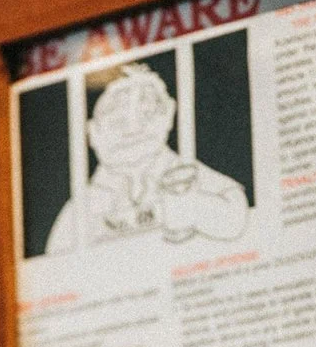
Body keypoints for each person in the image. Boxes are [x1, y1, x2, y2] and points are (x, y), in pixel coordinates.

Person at [50, 62, 247, 251]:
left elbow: (236, 215)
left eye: (147, 114)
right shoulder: (89, 200)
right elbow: (57, 253)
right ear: (93, 132)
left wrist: (194, 206)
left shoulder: (179, 172)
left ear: (168, 115)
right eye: (118, 121)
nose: (133, 130)